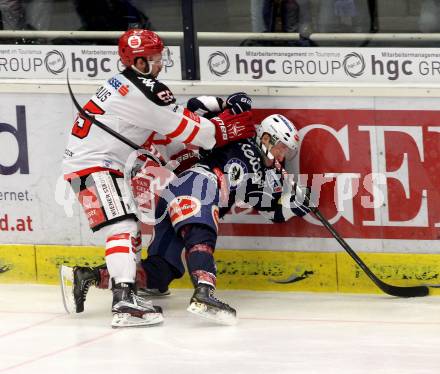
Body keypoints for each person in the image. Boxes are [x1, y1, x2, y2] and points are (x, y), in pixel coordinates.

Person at [62, 29, 255, 328]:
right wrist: (228, 126)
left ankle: (124, 295)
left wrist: (221, 104)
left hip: (91, 164)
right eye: (155, 58)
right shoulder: (146, 92)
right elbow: (200, 134)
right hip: (95, 166)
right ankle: (124, 303)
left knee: (126, 228)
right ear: (139, 62)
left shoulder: (126, 84)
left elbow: (178, 115)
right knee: (123, 228)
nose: (161, 63)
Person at [62, 109, 313, 325]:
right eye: (281, 148)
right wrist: (228, 106)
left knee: (162, 272)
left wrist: (295, 205)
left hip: (179, 198)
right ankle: (204, 293)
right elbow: (201, 115)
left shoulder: (258, 177)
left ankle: (86, 276)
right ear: (266, 137)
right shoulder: (241, 138)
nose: (281, 157)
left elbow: (272, 212)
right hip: (195, 186)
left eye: (286, 153)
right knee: (201, 235)